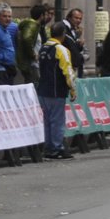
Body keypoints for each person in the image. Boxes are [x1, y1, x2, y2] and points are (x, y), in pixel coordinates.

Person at [36, 20, 77, 159]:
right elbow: (68, 71)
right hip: (56, 90)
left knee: (47, 120)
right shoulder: (61, 50)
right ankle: (57, 147)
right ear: (63, 34)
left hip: (42, 90)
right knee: (57, 120)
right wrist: (72, 89)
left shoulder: (43, 48)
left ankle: (48, 147)